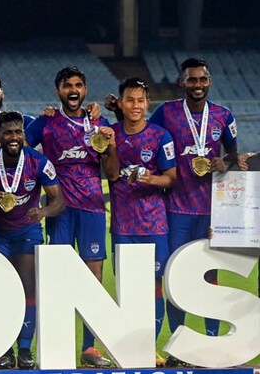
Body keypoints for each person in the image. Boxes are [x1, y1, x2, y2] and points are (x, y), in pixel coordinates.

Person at [24, 67, 112, 367]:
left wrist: (108, 139)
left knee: (94, 278)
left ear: (85, 89)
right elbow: (19, 148)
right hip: (59, 210)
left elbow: (112, 167)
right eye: (66, 85)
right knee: (54, 278)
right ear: (57, 91)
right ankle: (54, 343)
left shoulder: (100, 122)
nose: (72, 90)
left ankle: (90, 348)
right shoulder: (46, 123)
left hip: (93, 209)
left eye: (77, 85)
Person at [147, 58, 237, 346]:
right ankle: (178, 342)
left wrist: (225, 162)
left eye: (202, 79)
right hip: (175, 210)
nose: (197, 85)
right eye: (192, 79)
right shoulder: (166, 113)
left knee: (209, 277)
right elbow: (148, 141)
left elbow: (234, 155)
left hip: (211, 211)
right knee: (176, 276)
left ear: (209, 81)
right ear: (181, 82)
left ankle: (212, 341)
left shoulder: (224, 116)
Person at [0, 111, 65, 369]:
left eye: (18, 132)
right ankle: (3, 349)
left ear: (24, 134)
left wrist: (43, 212)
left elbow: (58, 200)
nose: (14, 137)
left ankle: (25, 349)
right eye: (8, 133)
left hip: (27, 231)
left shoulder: (39, 161)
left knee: (28, 289)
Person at [100, 77, 176, 366]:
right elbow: (111, 173)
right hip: (123, 225)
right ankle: (128, 348)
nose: (135, 105)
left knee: (154, 288)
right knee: (128, 291)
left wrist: (151, 178)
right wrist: (112, 146)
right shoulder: (110, 134)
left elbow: (172, 177)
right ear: (120, 103)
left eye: (140, 100)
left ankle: (149, 347)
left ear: (147, 103)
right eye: (129, 100)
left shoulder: (161, 136)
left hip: (155, 224)